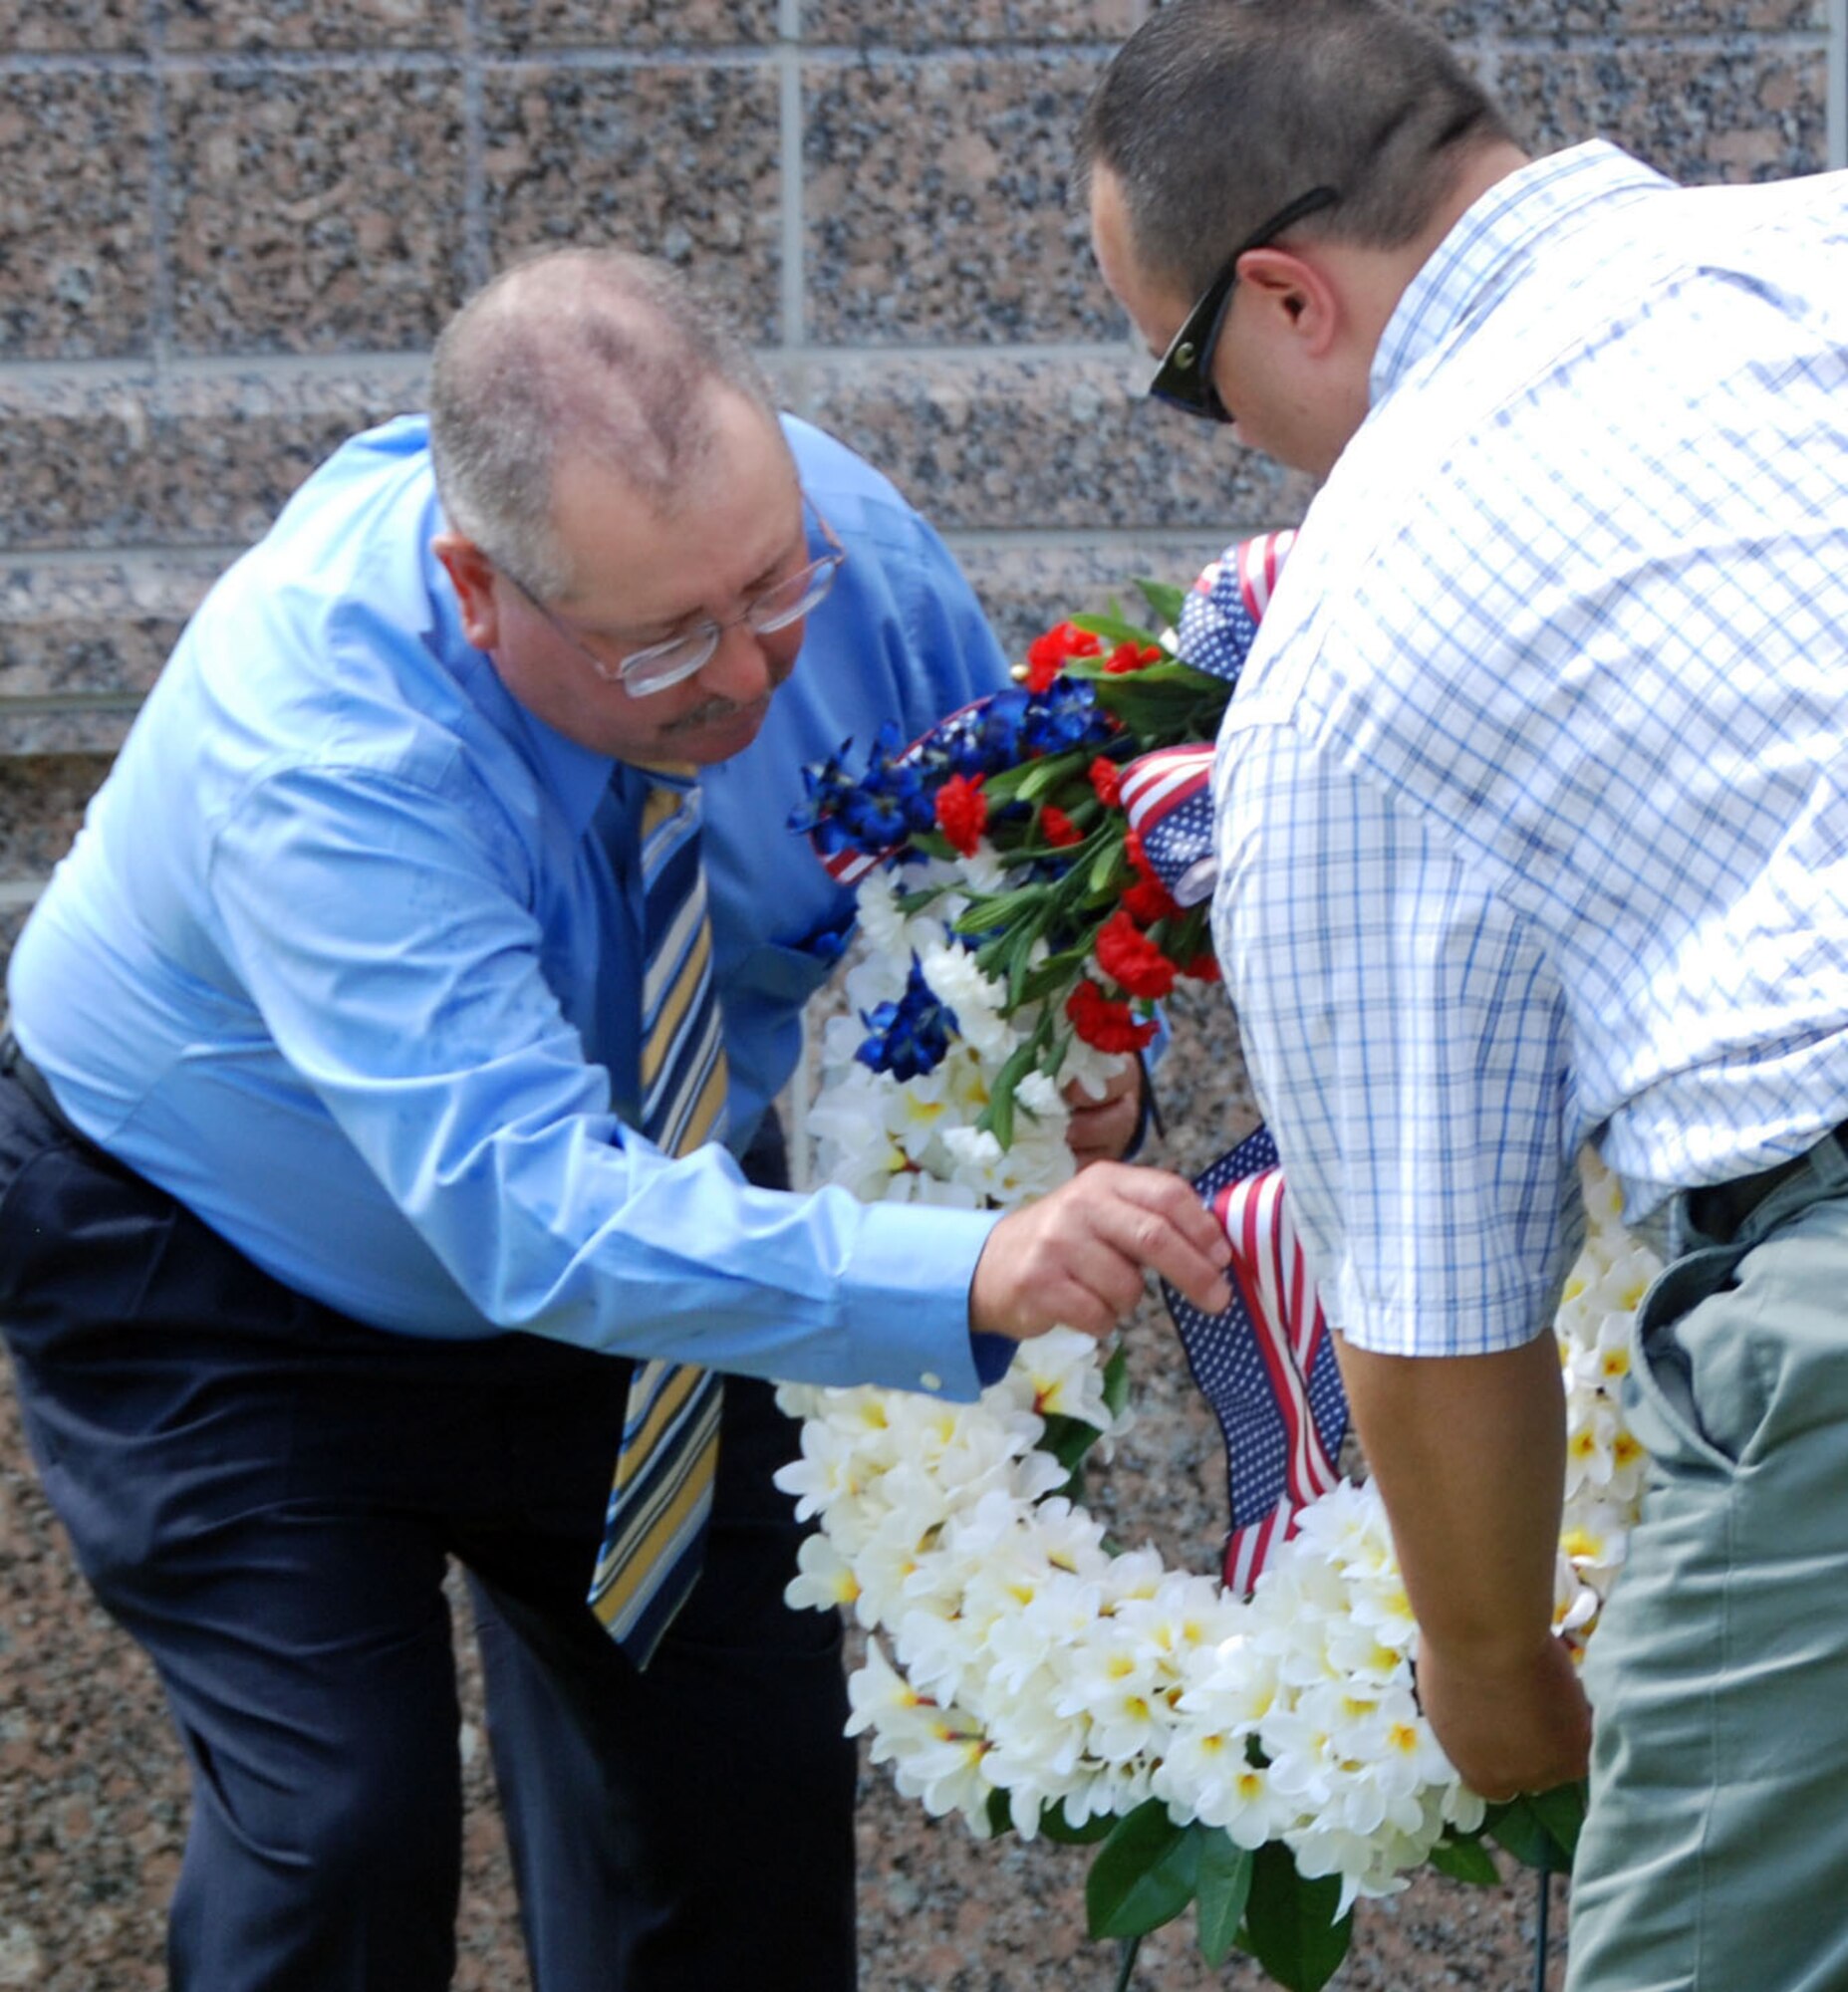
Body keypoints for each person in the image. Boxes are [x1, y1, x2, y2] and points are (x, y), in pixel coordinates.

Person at [0, 248, 1234, 1992]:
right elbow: (529, 1215)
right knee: (341, 1829)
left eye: (765, 584)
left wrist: (1071, 1067)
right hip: (221, 1270)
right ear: (478, 587)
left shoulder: (841, 558)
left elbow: (1001, 883)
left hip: (669, 1213)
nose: (747, 675)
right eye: (661, 639)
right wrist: (974, 1267)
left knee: (733, 1814)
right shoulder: (324, 742)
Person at [1077, 3, 1848, 1986]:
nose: (1229, 435)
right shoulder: (1817, 241)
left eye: (1187, 379)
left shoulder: (1356, 629)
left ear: (1282, 294)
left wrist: (1495, 1677)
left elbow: (1427, 1308)